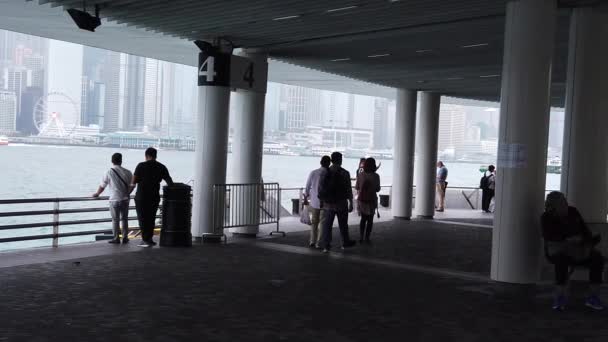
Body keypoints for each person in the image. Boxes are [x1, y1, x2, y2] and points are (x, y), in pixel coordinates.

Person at [541, 191, 605, 311]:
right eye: (562, 203)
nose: (566, 204)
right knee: (561, 260)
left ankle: (593, 296)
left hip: (578, 249)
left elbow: (585, 231)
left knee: (597, 258)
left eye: (565, 202)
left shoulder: (573, 212)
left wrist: (587, 242)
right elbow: (549, 237)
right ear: (553, 207)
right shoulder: (546, 217)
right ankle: (559, 297)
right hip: (559, 250)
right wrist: (568, 240)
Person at [130, 147, 173, 247]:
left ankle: (145, 240)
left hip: (141, 196)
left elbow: (134, 181)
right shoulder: (161, 167)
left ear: (146, 156)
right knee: (151, 218)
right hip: (154, 196)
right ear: (155, 155)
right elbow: (170, 182)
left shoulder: (141, 165)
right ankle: (149, 239)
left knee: (142, 218)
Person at [318, 152, 357, 253]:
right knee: (343, 225)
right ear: (340, 160)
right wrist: (351, 203)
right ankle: (345, 242)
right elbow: (348, 189)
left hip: (328, 204)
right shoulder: (345, 173)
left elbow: (321, 188)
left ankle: (326, 246)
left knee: (327, 226)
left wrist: (321, 201)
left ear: (331, 160)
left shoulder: (325, 172)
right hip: (341, 203)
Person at [92, 153, 133, 244]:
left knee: (115, 220)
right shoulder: (128, 172)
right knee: (125, 219)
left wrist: (97, 193)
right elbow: (132, 185)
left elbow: (103, 185)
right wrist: (128, 193)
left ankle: (116, 238)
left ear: (112, 161)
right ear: (121, 161)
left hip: (114, 199)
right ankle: (125, 237)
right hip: (125, 199)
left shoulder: (109, 172)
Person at [304, 156, 331, 248]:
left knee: (314, 223)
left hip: (314, 202)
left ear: (320, 162)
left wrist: (305, 197)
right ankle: (319, 243)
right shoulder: (330, 173)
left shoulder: (313, 172)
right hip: (326, 202)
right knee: (323, 223)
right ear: (329, 163)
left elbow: (307, 186)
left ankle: (312, 241)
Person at [355, 158, 381, 244]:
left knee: (363, 219)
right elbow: (377, 189)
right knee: (370, 220)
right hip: (372, 200)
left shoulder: (360, 175)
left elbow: (357, 187)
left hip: (362, 200)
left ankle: (361, 236)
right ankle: (367, 237)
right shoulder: (376, 176)